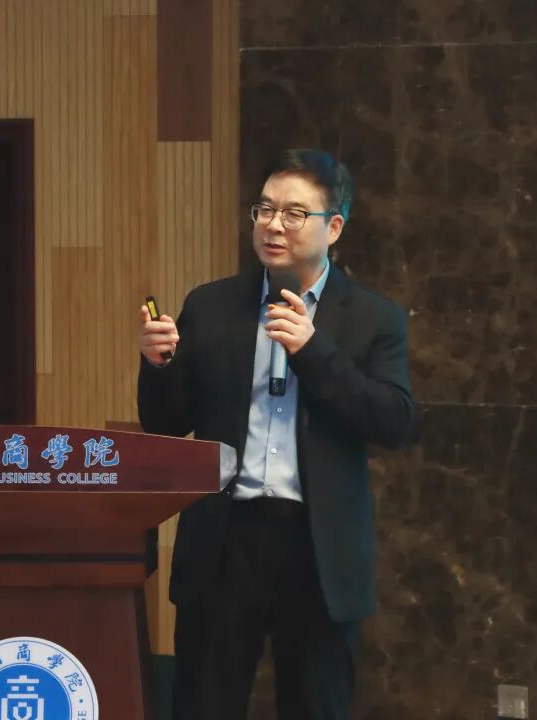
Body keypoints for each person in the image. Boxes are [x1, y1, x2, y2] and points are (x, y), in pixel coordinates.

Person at [137, 148, 416, 719]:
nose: (273, 225)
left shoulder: (373, 318)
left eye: (294, 213)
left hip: (317, 549)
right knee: (203, 705)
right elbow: (167, 423)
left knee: (315, 706)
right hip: (225, 542)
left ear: (333, 228)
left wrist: (314, 352)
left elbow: (393, 420)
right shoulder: (211, 305)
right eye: (264, 209)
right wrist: (158, 365)